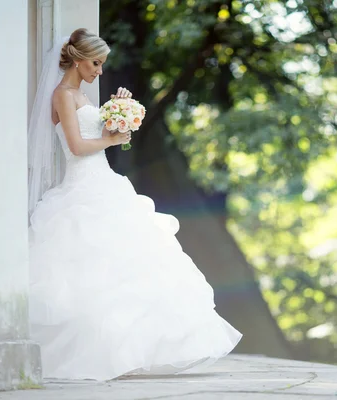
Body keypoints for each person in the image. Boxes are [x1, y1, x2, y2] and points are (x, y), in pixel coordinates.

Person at [27, 28, 242, 381]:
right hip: (82, 188)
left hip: (105, 184)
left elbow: (96, 134)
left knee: (132, 264)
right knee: (90, 271)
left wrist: (118, 108)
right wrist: (111, 138)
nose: (99, 70)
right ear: (78, 60)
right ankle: (92, 355)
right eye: (96, 63)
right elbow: (78, 147)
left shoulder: (80, 94)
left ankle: (135, 352)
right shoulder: (63, 94)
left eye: (102, 64)